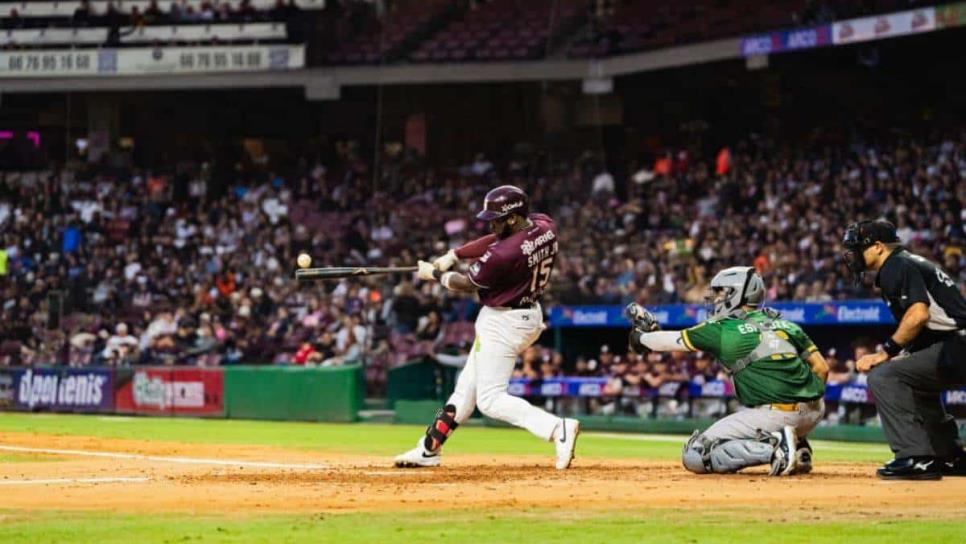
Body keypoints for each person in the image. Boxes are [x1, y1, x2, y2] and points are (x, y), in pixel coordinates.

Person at [394, 185, 580, 470]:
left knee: (490, 400)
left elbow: (467, 283)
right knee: (465, 391)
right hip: (524, 314)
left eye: (497, 218)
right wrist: (455, 253)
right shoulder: (544, 226)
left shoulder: (504, 255)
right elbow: (496, 238)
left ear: (513, 218)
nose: (491, 223)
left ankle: (557, 428)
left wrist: (435, 274)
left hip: (504, 323)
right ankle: (428, 449)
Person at [627, 266, 829, 476]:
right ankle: (799, 446)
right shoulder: (786, 324)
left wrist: (641, 337)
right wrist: (803, 404)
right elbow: (822, 368)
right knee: (778, 415)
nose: (715, 298)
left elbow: (672, 341)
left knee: (695, 454)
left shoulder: (723, 328)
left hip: (776, 416)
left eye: (721, 292)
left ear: (737, 293)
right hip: (815, 411)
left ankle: (776, 447)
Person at [842, 220, 966, 480]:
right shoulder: (909, 261)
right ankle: (949, 456)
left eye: (857, 248)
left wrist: (885, 351)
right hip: (952, 344)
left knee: (885, 376)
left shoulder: (895, 265)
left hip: (957, 346)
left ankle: (916, 457)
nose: (852, 255)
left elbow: (918, 314)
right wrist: (903, 352)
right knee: (911, 378)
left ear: (877, 247)